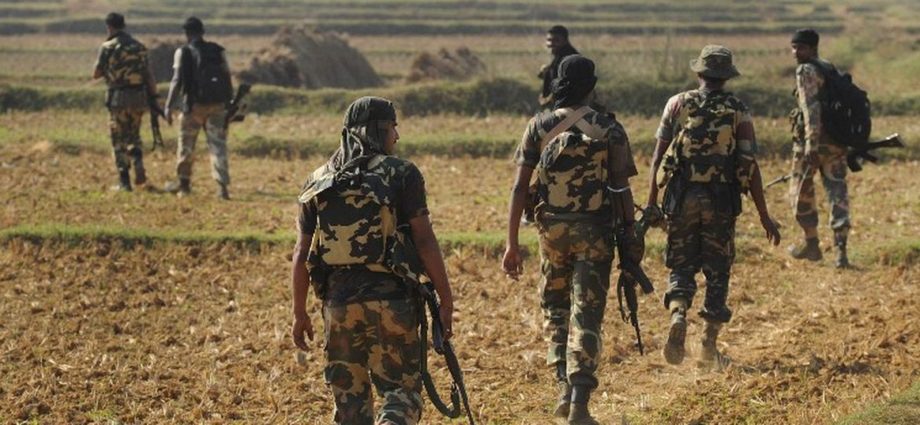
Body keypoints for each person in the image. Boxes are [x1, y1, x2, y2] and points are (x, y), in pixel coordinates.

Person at [291, 97, 455, 425]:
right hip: (392, 303)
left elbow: (301, 254)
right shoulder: (402, 173)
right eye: (394, 127)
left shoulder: (318, 180)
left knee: (350, 406)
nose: (397, 136)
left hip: (338, 306)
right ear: (380, 130)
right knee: (401, 394)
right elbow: (424, 240)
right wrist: (446, 298)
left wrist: (299, 313)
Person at [503, 55, 641, 424]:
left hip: (552, 232)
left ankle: (562, 388)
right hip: (595, 232)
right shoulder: (609, 128)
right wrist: (630, 235)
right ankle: (579, 401)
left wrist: (511, 243)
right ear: (591, 86)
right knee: (587, 311)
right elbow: (620, 187)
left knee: (556, 307)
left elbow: (519, 188)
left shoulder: (539, 125)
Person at [646, 45, 781, 369]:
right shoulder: (738, 110)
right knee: (718, 271)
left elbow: (658, 157)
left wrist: (651, 203)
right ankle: (708, 345)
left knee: (681, 265)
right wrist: (764, 215)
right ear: (727, 76)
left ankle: (678, 313)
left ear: (699, 73)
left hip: (681, 197)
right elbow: (749, 163)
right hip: (721, 201)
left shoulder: (676, 103)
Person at [787, 28, 852, 268]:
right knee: (838, 194)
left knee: (800, 192)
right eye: (794, 47)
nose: (796, 52)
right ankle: (841, 252)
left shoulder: (805, 71)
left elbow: (810, 108)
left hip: (813, 144)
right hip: (836, 143)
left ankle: (812, 244)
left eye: (801, 48)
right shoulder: (828, 67)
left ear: (813, 48)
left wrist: (811, 144)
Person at [163, 17, 234, 199]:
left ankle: (184, 185)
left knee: (186, 145)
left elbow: (177, 80)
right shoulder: (218, 51)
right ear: (202, 32)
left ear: (186, 34)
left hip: (193, 106)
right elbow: (227, 76)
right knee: (218, 146)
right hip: (217, 106)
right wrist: (228, 102)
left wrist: (168, 105)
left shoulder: (183, 52)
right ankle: (222, 188)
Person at [92, 12, 157, 192]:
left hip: (118, 99)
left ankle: (124, 182)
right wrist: (155, 97)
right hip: (139, 98)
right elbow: (149, 75)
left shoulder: (108, 47)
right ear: (124, 25)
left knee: (118, 140)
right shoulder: (139, 46)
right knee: (134, 135)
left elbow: (96, 74)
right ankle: (138, 161)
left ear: (109, 27)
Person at [538, 25, 579, 109]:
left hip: (567, 107)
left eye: (556, 40)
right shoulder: (560, 55)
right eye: (549, 40)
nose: (551, 44)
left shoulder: (569, 58)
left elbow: (566, 84)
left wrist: (547, 100)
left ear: (565, 41)